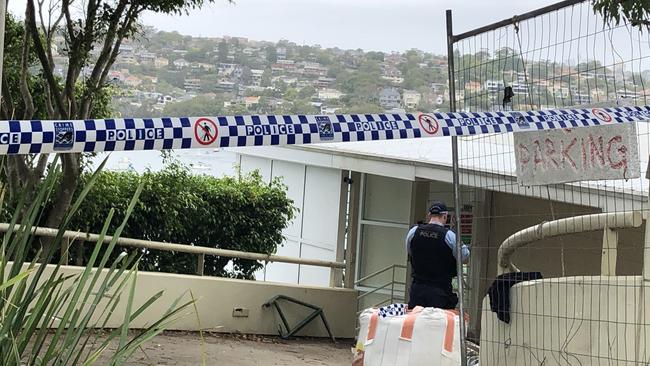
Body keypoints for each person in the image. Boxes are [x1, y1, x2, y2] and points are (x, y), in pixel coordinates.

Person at [405, 201, 470, 310]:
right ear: (445, 216)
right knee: (435, 324)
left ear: (429, 215)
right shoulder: (449, 236)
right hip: (440, 291)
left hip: (417, 290)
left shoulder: (413, 231)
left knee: (416, 322)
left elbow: (410, 251)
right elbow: (465, 257)